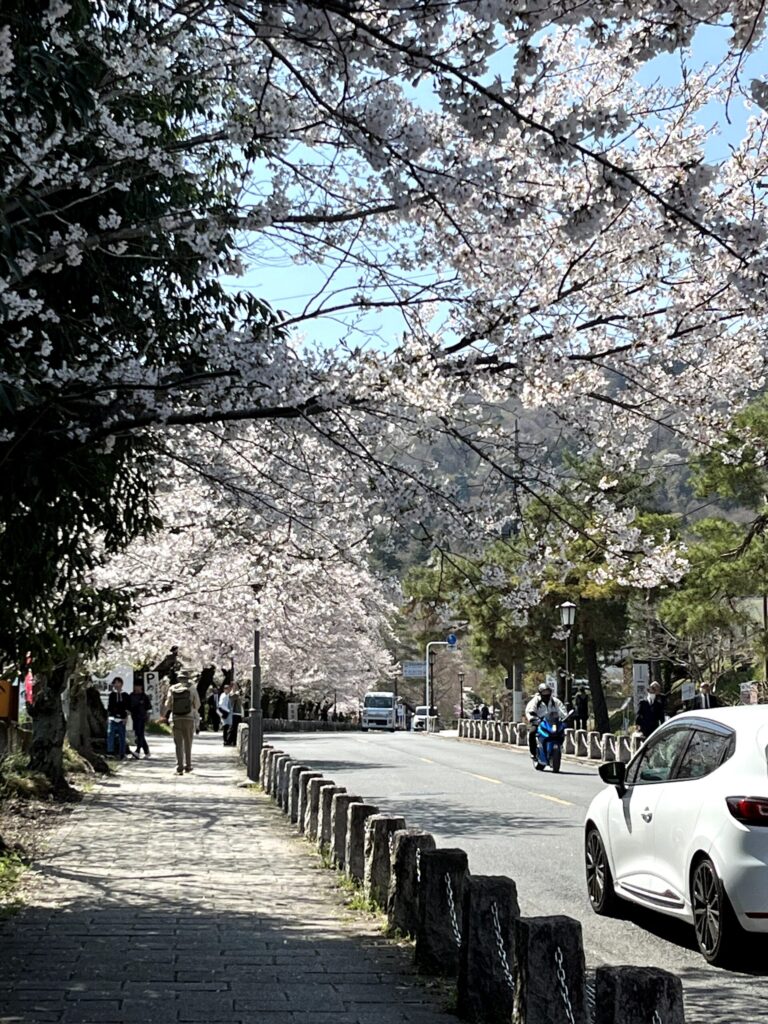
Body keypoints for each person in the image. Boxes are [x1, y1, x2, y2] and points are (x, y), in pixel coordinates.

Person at [162, 671, 201, 775]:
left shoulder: (173, 688)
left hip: (176, 718)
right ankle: (188, 766)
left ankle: (179, 767)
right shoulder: (192, 688)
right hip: (189, 718)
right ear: (188, 678)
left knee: (178, 744)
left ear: (179, 678)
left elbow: (168, 704)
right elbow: (197, 704)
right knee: (188, 742)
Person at [525, 683, 567, 761]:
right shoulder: (536, 701)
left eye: (548, 692)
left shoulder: (555, 701)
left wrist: (565, 717)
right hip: (540, 721)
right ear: (540, 692)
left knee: (562, 732)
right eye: (544, 692)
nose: (546, 694)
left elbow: (562, 710)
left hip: (553, 722)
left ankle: (560, 746)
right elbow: (529, 710)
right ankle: (533, 752)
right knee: (532, 732)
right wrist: (533, 719)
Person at [107, 677, 131, 759]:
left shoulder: (125, 695)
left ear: (121, 684)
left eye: (118, 683)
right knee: (110, 735)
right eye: (115, 683)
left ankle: (122, 753)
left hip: (122, 718)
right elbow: (109, 707)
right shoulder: (112, 695)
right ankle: (110, 752)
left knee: (122, 736)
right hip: (112, 717)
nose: (116, 685)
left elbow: (128, 708)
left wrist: (126, 718)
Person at [129, 679, 152, 759]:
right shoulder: (131, 696)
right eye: (135, 686)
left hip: (142, 717)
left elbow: (149, 708)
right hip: (134, 717)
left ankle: (138, 751)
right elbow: (129, 707)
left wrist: (148, 718)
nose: (137, 688)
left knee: (140, 734)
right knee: (139, 734)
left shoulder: (144, 696)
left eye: (139, 686)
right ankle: (147, 751)